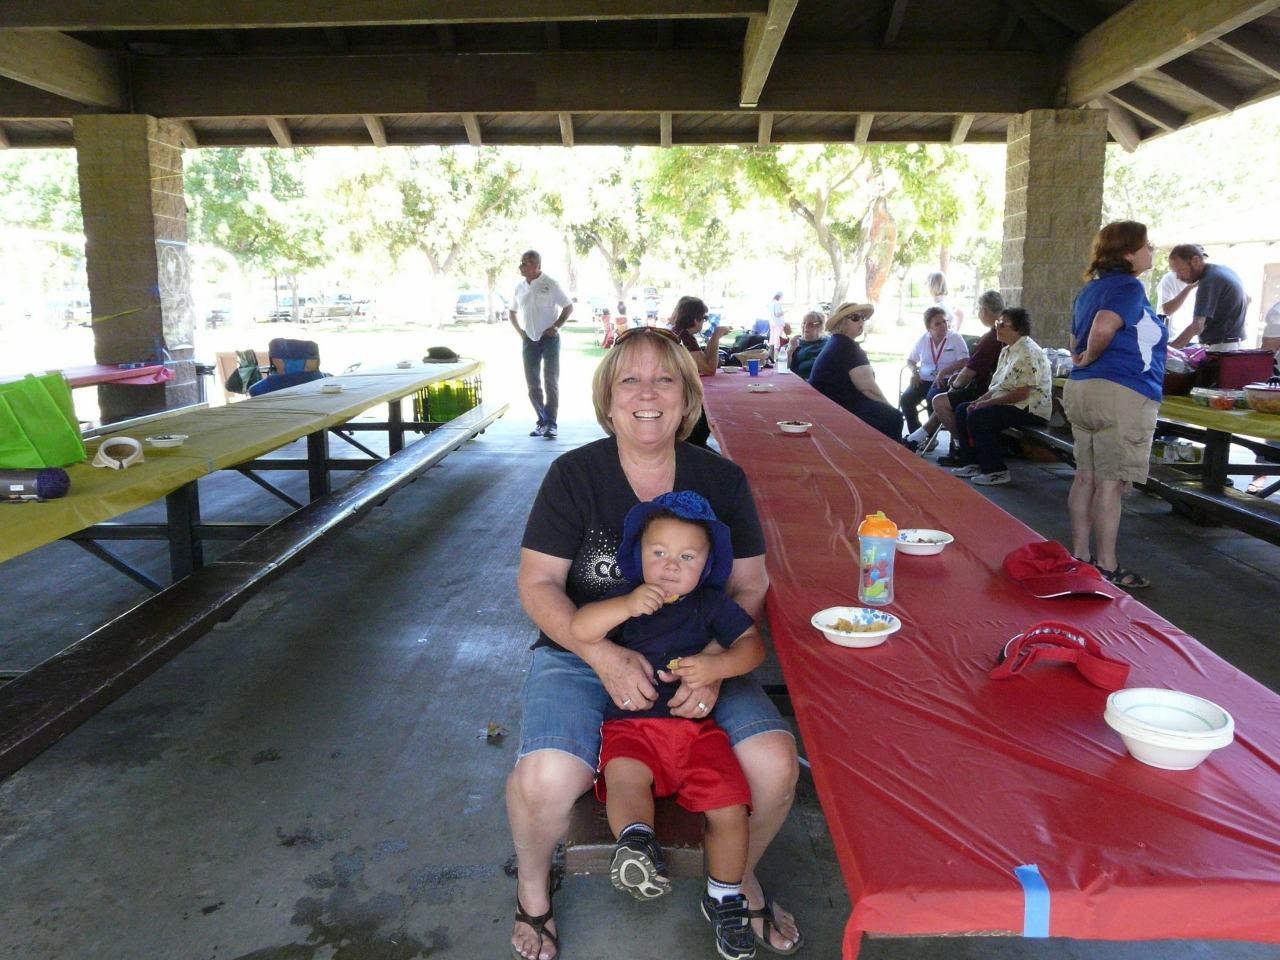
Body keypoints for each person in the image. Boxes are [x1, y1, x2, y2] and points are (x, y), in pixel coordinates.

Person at [509, 327, 803, 960]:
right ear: (608, 400)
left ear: (687, 399)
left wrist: (716, 671)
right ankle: (534, 892)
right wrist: (600, 653)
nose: (648, 393)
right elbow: (537, 584)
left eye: (665, 379)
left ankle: (735, 876)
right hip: (580, 649)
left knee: (775, 763)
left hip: (698, 652)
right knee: (546, 776)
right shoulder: (574, 475)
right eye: (630, 381)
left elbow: (750, 585)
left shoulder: (719, 479)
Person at [569, 492, 765, 960]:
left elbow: (753, 647)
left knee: (731, 806)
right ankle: (636, 842)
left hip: (696, 732)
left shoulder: (712, 605)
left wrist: (718, 668)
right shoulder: (626, 600)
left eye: (687, 556)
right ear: (637, 555)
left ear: (707, 565)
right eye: (658, 552)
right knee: (624, 777)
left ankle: (725, 897)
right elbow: (580, 628)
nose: (671, 565)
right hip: (632, 729)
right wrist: (626, 605)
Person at [1063, 220, 1168, 588]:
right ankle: (1106, 565)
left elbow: (1075, 335)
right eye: (1146, 245)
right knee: (1110, 483)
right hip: (1120, 392)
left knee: (1085, 476)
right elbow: (1104, 328)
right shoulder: (1128, 286)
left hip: (1082, 392)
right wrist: (1091, 355)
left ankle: (1080, 555)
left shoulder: (1090, 290)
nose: (1151, 250)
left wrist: (1084, 359)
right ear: (1128, 253)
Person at [948, 307, 1052, 486]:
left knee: (979, 417)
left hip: (1030, 408)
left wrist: (986, 404)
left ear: (1017, 328)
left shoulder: (1028, 351)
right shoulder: (1007, 350)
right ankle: (972, 463)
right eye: (998, 323)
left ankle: (996, 470)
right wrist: (979, 401)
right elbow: (998, 386)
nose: (997, 327)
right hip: (1014, 404)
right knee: (963, 409)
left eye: (1002, 324)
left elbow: (1021, 394)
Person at [807, 302, 905, 440]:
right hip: (839, 410)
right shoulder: (848, 347)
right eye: (855, 318)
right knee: (893, 417)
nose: (861, 321)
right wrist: (889, 407)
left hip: (829, 406)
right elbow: (869, 389)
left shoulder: (837, 342)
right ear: (842, 322)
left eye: (863, 317)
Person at [935, 290, 1006, 465]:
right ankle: (924, 435)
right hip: (996, 386)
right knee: (946, 399)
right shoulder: (999, 332)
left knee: (940, 401)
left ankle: (964, 448)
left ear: (982, 311)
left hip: (989, 389)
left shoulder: (991, 337)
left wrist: (956, 387)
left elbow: (970, 371)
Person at [510, 250, 573, 440]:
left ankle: (551, 423)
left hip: (549, 339)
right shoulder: (519, 288)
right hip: (529, 339)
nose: (520, 267)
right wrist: (521, 333)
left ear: (536, 265)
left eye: (524, 263)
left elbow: (568, 306)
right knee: (532, 384)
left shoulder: (550, 283)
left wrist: (556, 326)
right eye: (520, 263)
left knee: (550, 381)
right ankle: (541, 421)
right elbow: (512, 312)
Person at [901, 306, 969, 445]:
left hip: (945, 379)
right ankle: (917, 436)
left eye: (944, 321)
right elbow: (911, 360)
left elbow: (965, 361)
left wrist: (945, 371)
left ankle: (931, 438)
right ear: (928, 328)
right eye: (937, 324)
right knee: (906, 399)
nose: (943, 325)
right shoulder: (923, 339)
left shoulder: (955, 337)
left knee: (932, 397)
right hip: (924, 378)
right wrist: (914, 372)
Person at [671, 295, 731, 448]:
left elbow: (704, 359)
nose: (704, 322)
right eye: (704, 318)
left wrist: (714, 336)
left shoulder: (680, 333)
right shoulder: (684, 338)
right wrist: (716, 337)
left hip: (678, 392)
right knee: (705, 417)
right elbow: (709, 369)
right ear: (696, 320)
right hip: (683, 397)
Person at [1166, 244, 1248, 351]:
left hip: (1223, 347)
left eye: (1179, 270)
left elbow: (1197, 326)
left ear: (1195, 261)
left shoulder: (1209, 281)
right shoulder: (1222, 270)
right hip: (1234, 343)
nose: (1178, 277)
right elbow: (1248, 299)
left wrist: (1168, 352)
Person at [783, 311, 828, 379]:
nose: (805, 327)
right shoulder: (793, 343)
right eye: (803, 324)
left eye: (810, 324)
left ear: (821, 327)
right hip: (795, 382)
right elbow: (781, 369)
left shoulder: (828, 344)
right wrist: (790, 350)